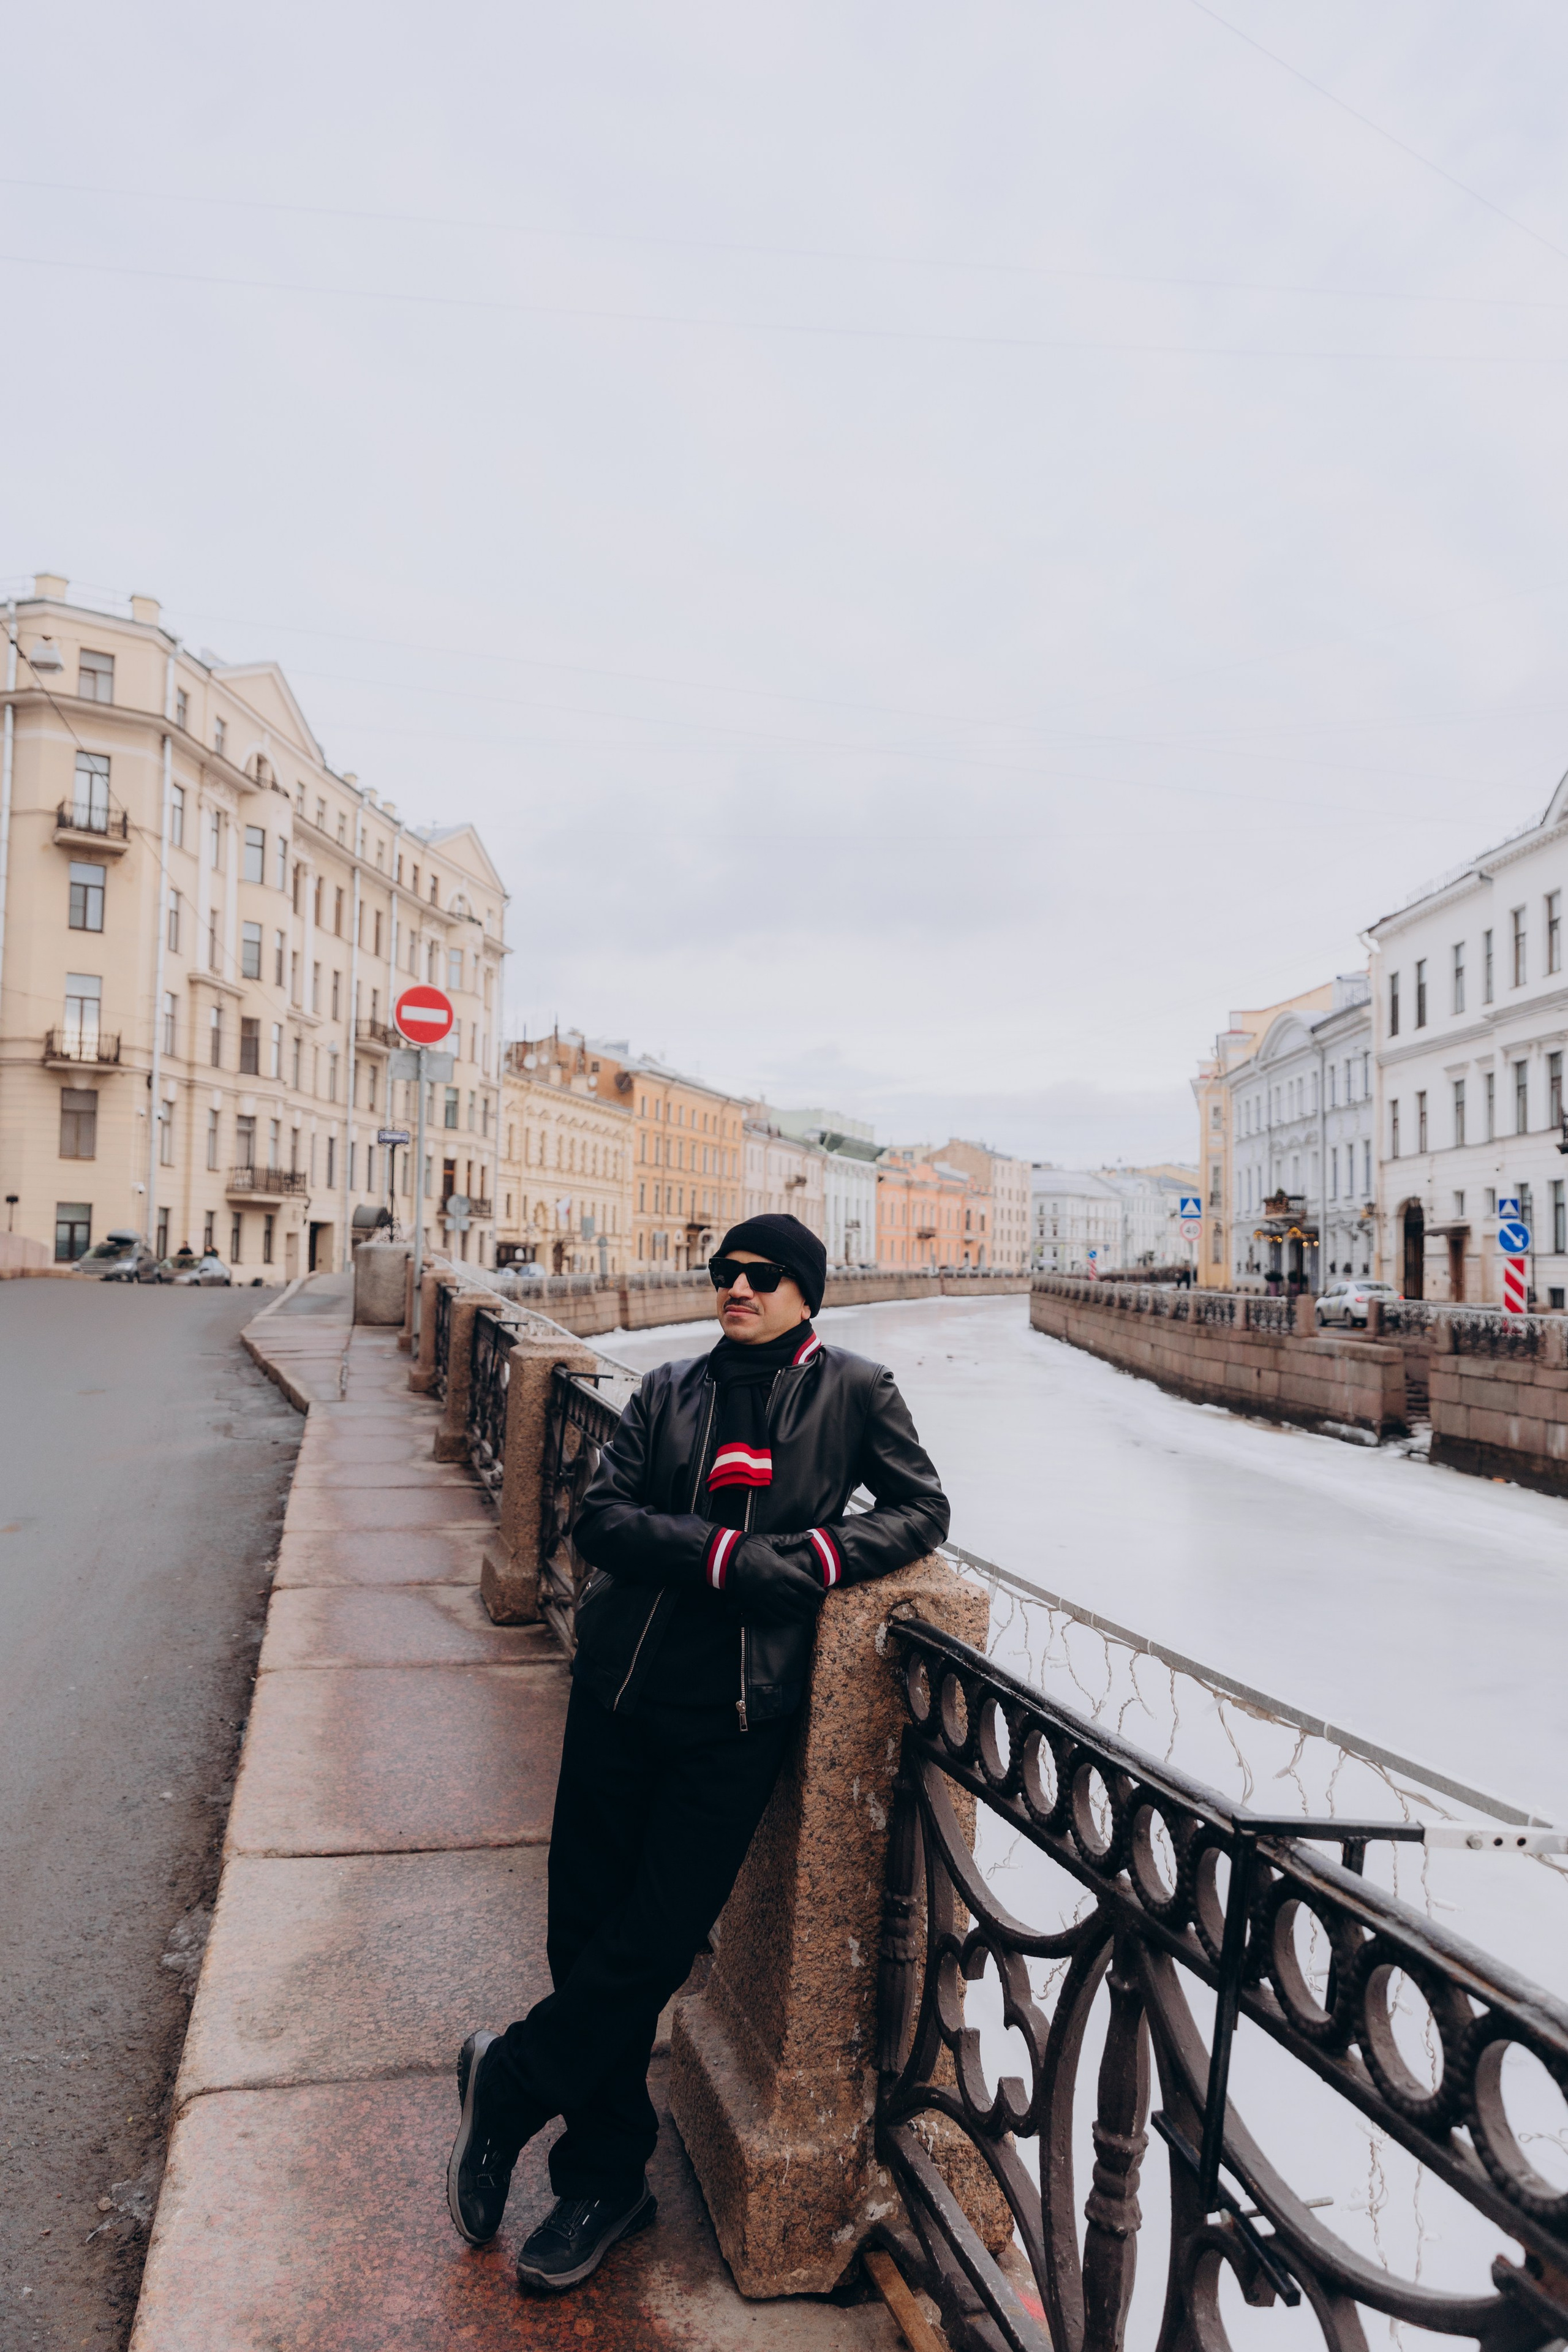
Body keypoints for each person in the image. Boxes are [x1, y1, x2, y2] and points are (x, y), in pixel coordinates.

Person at [447, 1211, 950, 2294]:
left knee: (658, 1940)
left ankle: (515, 2080)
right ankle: (604, 2178)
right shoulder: (670, 1386)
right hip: (620, 1689)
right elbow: (601, 1518)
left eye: (763, 1276)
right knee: (585, 1932)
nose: (739, 1287)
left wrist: (817, 1553)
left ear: (807, 1291)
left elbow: (921, 1510)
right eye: (726, 1272)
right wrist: (726, 1556)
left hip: (737, 1716)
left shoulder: (859, 1392)